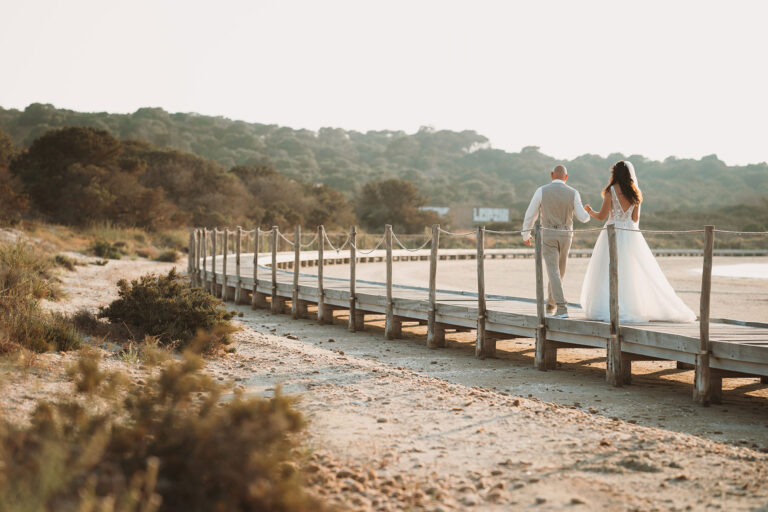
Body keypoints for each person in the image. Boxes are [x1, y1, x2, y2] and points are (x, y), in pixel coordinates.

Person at [580, 160, 696, 323]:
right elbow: (635, 218)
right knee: (630, 270)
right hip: (630, 233)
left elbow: (601, 216)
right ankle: (632, 305)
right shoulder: (635, 192)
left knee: (608, 269)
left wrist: (589, 211)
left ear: (615, 174)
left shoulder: (610, 191)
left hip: (613, 232)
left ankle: (611, 305)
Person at [521, 165, 591, 318]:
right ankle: (551, 304)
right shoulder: (574, 193)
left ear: (551, 175)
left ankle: (561, 308)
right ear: (566, 177)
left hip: (549, 233)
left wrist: (526, 235)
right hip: (567, 234)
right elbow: (583, 218)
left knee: (553, 271)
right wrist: (588, 212)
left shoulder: (541, 191)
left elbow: (530, 214)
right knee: (559, 271)